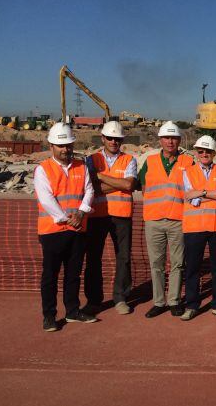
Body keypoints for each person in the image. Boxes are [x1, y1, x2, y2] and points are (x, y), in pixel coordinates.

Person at [36, 123, 97, 331]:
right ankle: (49, 316)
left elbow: (89, 191)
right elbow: (46, 199)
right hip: (53, 231)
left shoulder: (81, 166)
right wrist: (66, 218)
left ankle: (72, 311)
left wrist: (81, 212)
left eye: (68, 145)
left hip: (77, 229)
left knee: (73, 274)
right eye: (61, 145)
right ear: (52, 146)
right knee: (50, 275)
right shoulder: (43, 169)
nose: (65, 149)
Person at [139, 121, 194, 318]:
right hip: (154, 220)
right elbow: (144, 188)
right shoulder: (150, 162)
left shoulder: (188, 162)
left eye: (173, 138)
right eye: (166, 138)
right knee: (157, 263)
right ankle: (159, 301)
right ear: (160, 140)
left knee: (178, 263)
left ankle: (174, 300)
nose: (170, 141)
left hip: (178, 220)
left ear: (179, 140)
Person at [83, 120, 136, 316]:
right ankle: (93, 300)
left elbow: (129, 186)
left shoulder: (130, 160)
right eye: (110, 138)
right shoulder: (91, 159)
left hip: (121, 215)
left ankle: (120, 298)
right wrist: (119, 183)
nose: (114, 141)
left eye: (117, 138)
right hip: (97, 214)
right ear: (103, 138)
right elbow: (91, 187)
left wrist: (101, 176)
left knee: (123, 257)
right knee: (93, 258)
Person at [180, 135, 216, 321]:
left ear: (213, 153)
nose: (204, 154)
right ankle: (192, 305)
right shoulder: (188, 172)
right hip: (194, 228)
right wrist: (212, 194)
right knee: (193, 268)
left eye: (207, 151)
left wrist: (201, 192)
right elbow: (190, 199)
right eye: (201, 151)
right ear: (196, 153)